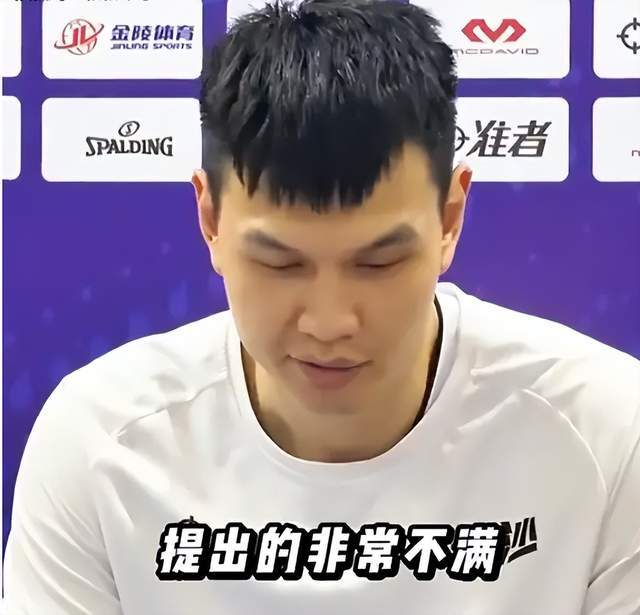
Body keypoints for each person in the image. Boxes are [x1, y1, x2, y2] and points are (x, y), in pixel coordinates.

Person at [4, 0, 640, 613]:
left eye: (378, 263)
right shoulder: (100, 442)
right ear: (210, 220)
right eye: (280, 264)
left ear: (449, 218)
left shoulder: (606, 430)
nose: (330, 323)